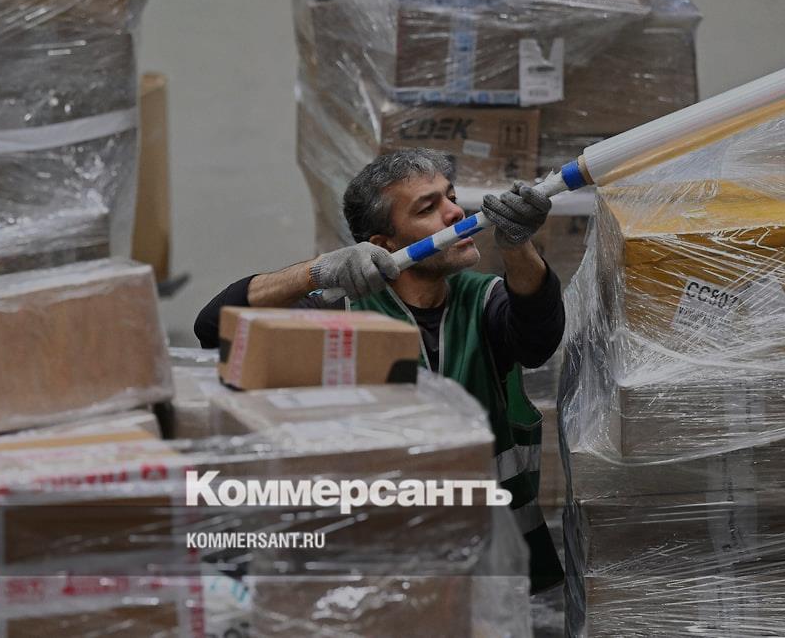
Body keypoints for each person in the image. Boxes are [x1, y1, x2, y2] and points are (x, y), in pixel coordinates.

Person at [195, 148, 565, 592]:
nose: (455, 213)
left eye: (450, 197)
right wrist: (316, 272)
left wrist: (517, 244)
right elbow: (214, 327)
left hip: (493, 560)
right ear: (385, 244)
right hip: (380, 564)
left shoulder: (482, 299)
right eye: (427, 208)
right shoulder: (340, 317)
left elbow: (538, 338)